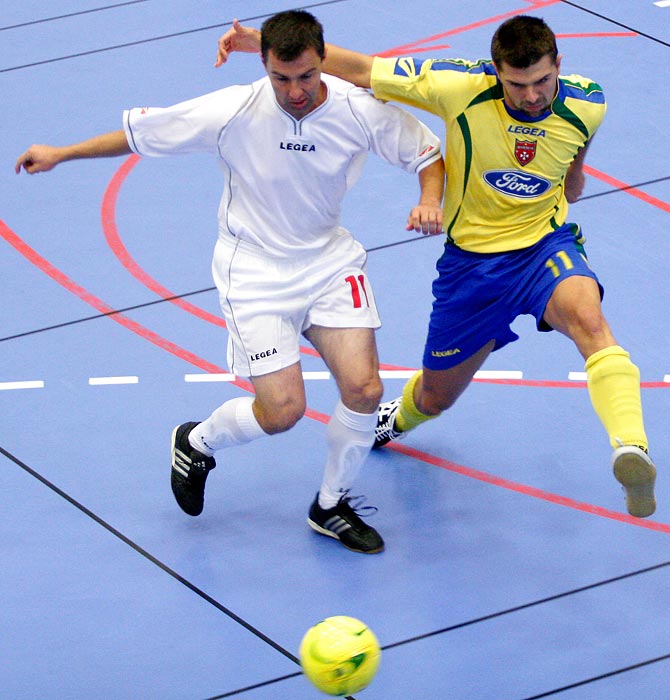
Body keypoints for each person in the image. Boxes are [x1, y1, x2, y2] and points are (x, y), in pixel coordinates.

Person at [16, 9, 445, 552]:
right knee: (282, 411)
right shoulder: (235, 109)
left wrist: (429, 199)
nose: (294, 90)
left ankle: (330, 505)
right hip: (254, 272)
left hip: (329, 262)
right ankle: (196, 442)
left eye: (306, 76)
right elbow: (140, 134)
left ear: (323, 60)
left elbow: (427, 153)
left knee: (364, 390)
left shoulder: (359, 108)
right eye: (281, 77)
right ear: (264, 65)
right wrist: (62, 153)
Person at [216, 14, 657, 518]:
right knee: (435, 394)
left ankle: (631, 449)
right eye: (518, 85)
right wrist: (265, 45)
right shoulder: (457, 86)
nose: (533, 96)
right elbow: (364, 70)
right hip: (471, 269)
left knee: (591, 324)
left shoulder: (588, 100)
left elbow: (577, 145)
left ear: (559, 64)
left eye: (542, 81)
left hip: (543, 246)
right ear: (496, 72)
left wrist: (572, 177)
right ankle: (397, 421)